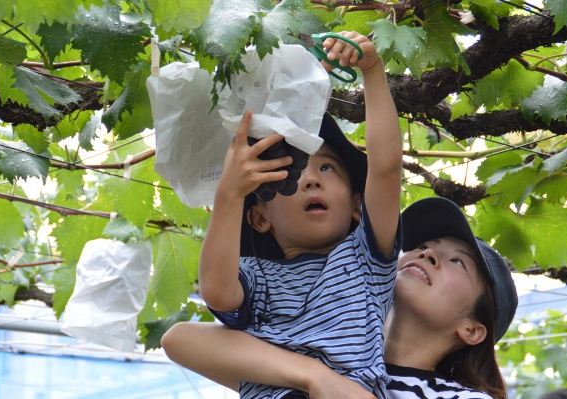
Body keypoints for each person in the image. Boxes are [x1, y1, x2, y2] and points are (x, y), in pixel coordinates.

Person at [162, 31, 402, 398]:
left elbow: (385, 169)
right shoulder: (258, 277)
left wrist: (373, 71)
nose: (310, 181)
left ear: (357, 205)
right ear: (259, 218)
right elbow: (218, 293)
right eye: (291, 173)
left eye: (326, 169)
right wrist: (229, 194)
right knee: (177, 336)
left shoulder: (365, 260)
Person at [163, 197, 519, 399]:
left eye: (458, 261)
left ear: (473, 330)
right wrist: (316, 377)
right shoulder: (326, 358)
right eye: (422, 246)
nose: (425, 254)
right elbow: (180, 339)